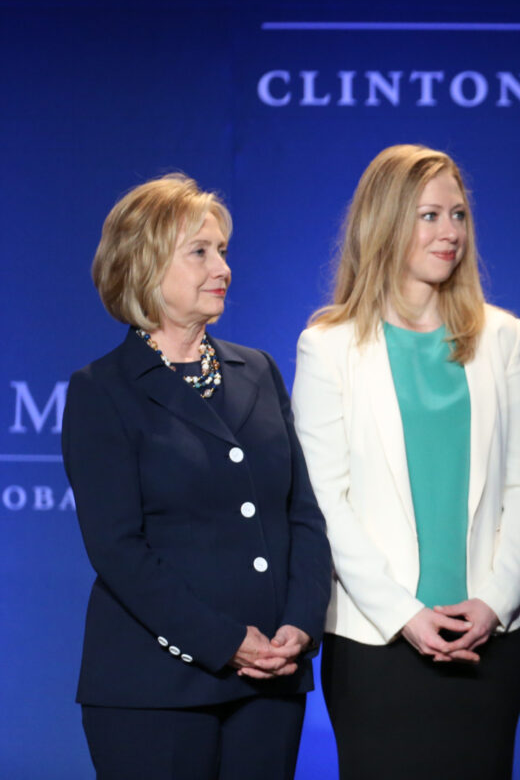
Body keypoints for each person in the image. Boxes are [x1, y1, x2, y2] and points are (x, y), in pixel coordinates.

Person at [61, 173, 331, 779]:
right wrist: (224, 641)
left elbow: (302, 515)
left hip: (271, 682)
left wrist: (300, 626)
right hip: (154, 690)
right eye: (201, 252)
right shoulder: (101, 391)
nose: (223, 268)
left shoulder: (257, 371)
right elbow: (117, 548)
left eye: (224, 252)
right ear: (145, 265)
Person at [292, 144, 520, 779]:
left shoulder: (501, 336)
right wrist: (404, 614)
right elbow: (327, 501)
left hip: (488, 639)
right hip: (377, 642)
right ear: (386, 223)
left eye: (458, 215)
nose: (450, 232)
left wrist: (493, 600)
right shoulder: (328, 348)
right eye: (430, 215)